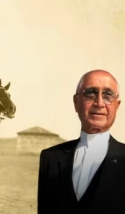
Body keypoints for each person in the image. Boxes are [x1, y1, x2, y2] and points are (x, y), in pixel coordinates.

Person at [37, 69, 124, 214]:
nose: (100, 103)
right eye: (91, 93)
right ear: (76, 102)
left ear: (117, 105)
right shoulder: (50, 158)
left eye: (108, 95)